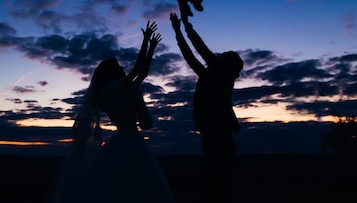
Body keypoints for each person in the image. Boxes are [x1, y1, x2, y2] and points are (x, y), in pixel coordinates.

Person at [47, 21, 176, 203]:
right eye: (119, 67)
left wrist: (151, 47)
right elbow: (139, 69)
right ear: (113, 72)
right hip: (129, 138)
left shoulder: (118, 89)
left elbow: (143, 73)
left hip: (124, 137)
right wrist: (145, 41)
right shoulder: (116, 87)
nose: (123, 68)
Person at [169, 12, 244, 203]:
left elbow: (200, 49)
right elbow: (190, 56)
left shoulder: (222, 75)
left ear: (229, 65)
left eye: (226, 55)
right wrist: (178, 31)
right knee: (215, 172)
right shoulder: (210, 74)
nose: (222, 54)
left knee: (218, 172)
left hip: (218, 129)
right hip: (212, 128)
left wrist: (186, 26)